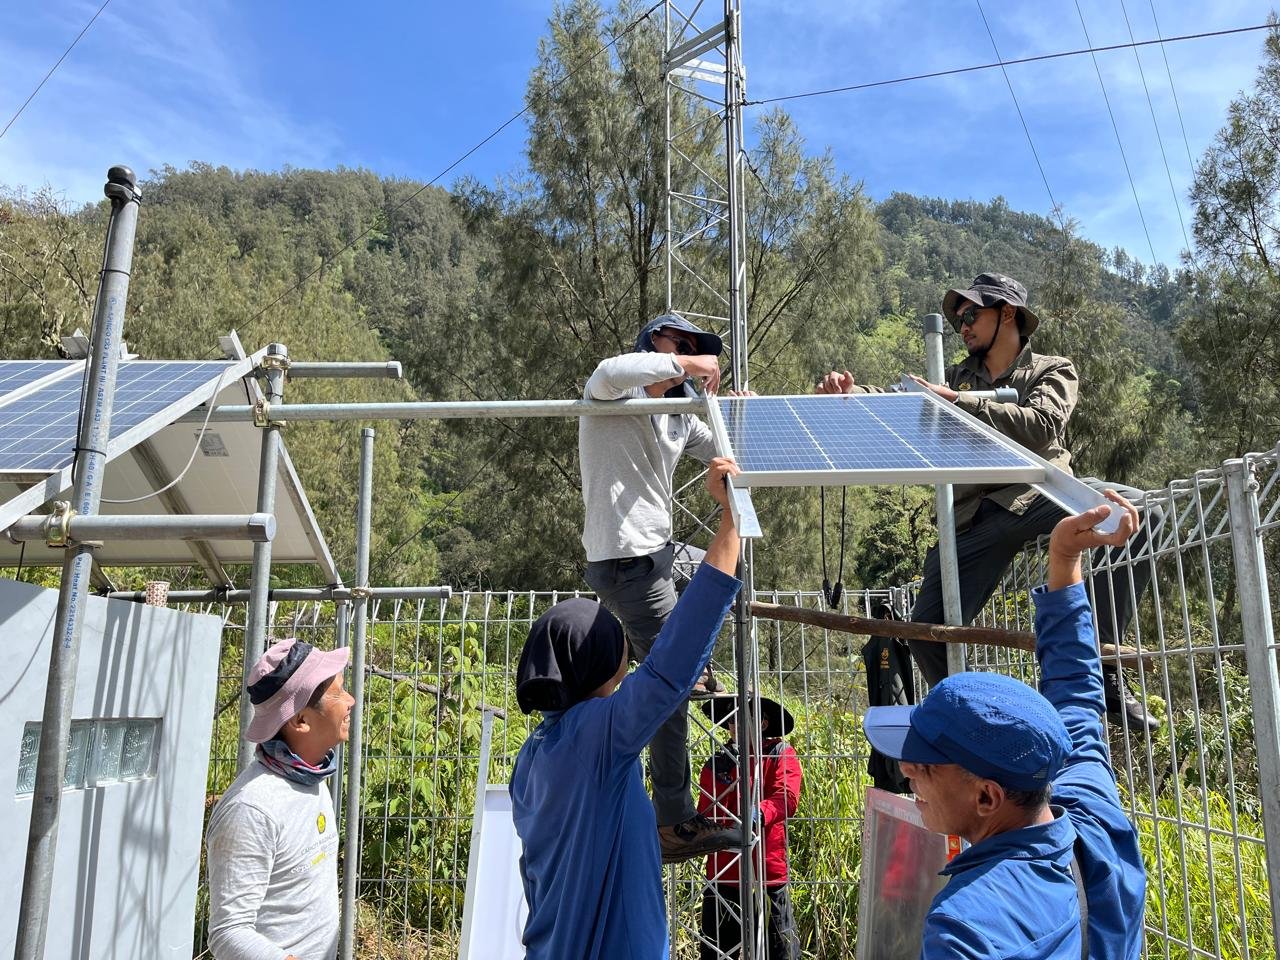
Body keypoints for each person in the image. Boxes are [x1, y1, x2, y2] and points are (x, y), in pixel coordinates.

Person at [818, 272, 1159, 733]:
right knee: (926, 630)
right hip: (974, 517)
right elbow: (901, 401)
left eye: (973, 314)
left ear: (1008, 314)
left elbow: (1042, 424)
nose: (963, 324)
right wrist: (851, 395)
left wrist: (959, 403)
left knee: (1142, 509)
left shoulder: (1052, 370)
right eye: (958, 317)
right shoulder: (954, 376)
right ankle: (981, 727)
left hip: (1039, 491)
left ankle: (1100, 665)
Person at [862, 491, 1147, 959]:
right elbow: (1076, 691)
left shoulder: (969, 927)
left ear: (987, 797)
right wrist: (1064, 558)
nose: (907, 768)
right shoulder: (1094, 813)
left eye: (927, 763)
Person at [511, 458, 743, 960]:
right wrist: (730, 525)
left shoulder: (532, 756)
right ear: (600, 661)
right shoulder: (598, 735)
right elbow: (671, 668)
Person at [579, 311, 740, 861]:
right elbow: (609, 369)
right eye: (680, 343)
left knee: (720, 576)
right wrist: (690, 364)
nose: (692, 353)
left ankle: (692, 668)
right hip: (626, 561)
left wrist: (739, 408)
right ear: (652, 345)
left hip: (661, 555)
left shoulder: (675, 417)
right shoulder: (611, 394)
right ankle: (673, 820)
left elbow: (725, 439)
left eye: (698, 347)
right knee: (671, 684)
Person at [205, 637, 354, 960]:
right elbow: (228, 933)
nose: (351, 700)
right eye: (338, 693)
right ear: (300, 721)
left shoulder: (310, 774)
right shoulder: (252, 808)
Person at [697, 694, 803, 960]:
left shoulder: (780, 753)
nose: (732, 725)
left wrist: (755, 815)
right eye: (729, 720)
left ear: (764, 723)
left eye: (739, 718)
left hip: (767, 871)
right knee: (717, 951)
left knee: (780, 951)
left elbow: (786, 798)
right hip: (724, 872)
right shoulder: (717, 762)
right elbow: (704, 811)